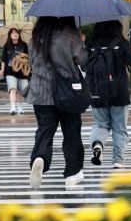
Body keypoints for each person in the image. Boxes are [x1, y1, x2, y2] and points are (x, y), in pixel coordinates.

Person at [26, 17, 88, 189]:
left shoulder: (36, 36)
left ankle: (40, 157)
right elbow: (82, 60)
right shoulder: (70, 34)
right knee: (71, 131)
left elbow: (32, 63)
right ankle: (72, 173)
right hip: (66, 92)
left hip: (40, 92)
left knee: (45, 130)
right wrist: (81, 43)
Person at [87, 20, 131, 169]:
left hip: (97, 92)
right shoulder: (122, 43)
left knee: (101, 125)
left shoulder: (91, 45)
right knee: (119, 128)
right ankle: (118, 160)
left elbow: (82, 66)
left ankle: (98, 143)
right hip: (119, 92)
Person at [0, 28, 29, 115]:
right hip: (10, 71)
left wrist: (24, 55)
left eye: (16, 33)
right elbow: (3, 59)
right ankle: (12, 107)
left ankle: (20, 106)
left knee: (22, 91)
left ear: (19, 34)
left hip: (22, 71)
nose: (15, 34)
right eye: (12, 33)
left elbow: (29, 57)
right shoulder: (7, 46)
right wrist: (2, 70)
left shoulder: (24, 45)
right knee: (13, 89)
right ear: (10, 36)